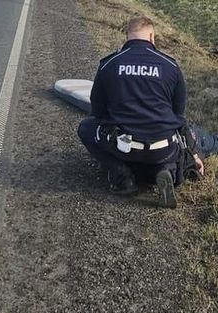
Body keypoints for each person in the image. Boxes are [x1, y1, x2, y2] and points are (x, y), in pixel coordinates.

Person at [78, 15, 204, 208]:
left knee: (86, 127)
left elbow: (98, 112)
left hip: (123, 147)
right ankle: (166, 170)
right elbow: (178, 116)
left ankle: (122, 177)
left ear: (127, 36)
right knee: (166, 140)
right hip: (163, 149)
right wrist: (193, 153)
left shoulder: (109, 65)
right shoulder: (171, 66)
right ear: (152, 37)